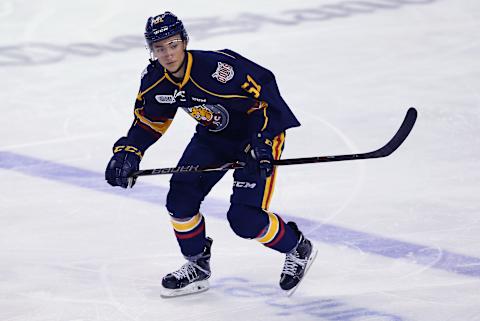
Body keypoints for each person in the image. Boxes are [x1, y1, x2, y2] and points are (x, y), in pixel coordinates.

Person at [105, 11, 317, 297]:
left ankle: (297, 247)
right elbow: (149, 121)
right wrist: (129, 151)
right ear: (151, 50)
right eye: (159, 48)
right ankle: (197, 266)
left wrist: (262, 141)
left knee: (244, 219)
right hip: (214, 136)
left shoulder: (217, 68)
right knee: (180, 198)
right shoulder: (156, 79)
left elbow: (264, 95)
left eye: (173, 44)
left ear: (184, 42)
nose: (167, 54)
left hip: (255, 136)